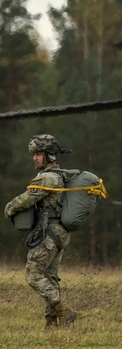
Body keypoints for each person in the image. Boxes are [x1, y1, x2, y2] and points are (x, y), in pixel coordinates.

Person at [4, 134, 79, 328]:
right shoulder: (61, 175)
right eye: (34, 154)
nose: (34, 158)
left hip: (49, 233)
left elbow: (27, 199)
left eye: (38, 154)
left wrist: (9, 208)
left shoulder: (47, 178)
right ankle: (51, 322)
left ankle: (64, 311)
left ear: (50, 156)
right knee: (50, 277)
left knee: (33, 275)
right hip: (60, 233)